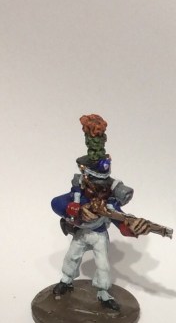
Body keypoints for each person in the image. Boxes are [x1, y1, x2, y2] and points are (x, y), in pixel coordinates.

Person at [51, 115, 150, 311]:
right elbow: (56, 203)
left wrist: (131, 227)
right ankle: (66, 280)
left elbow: (118, 216)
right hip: (81, 231)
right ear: (87, 178)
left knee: (103, 265)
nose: (101, 188)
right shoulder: (78, 193)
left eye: (104, 184)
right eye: (98, 184)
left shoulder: (108, 197)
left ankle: (103, 292)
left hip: (99, 233)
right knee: (72, 257)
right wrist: (76, 209)